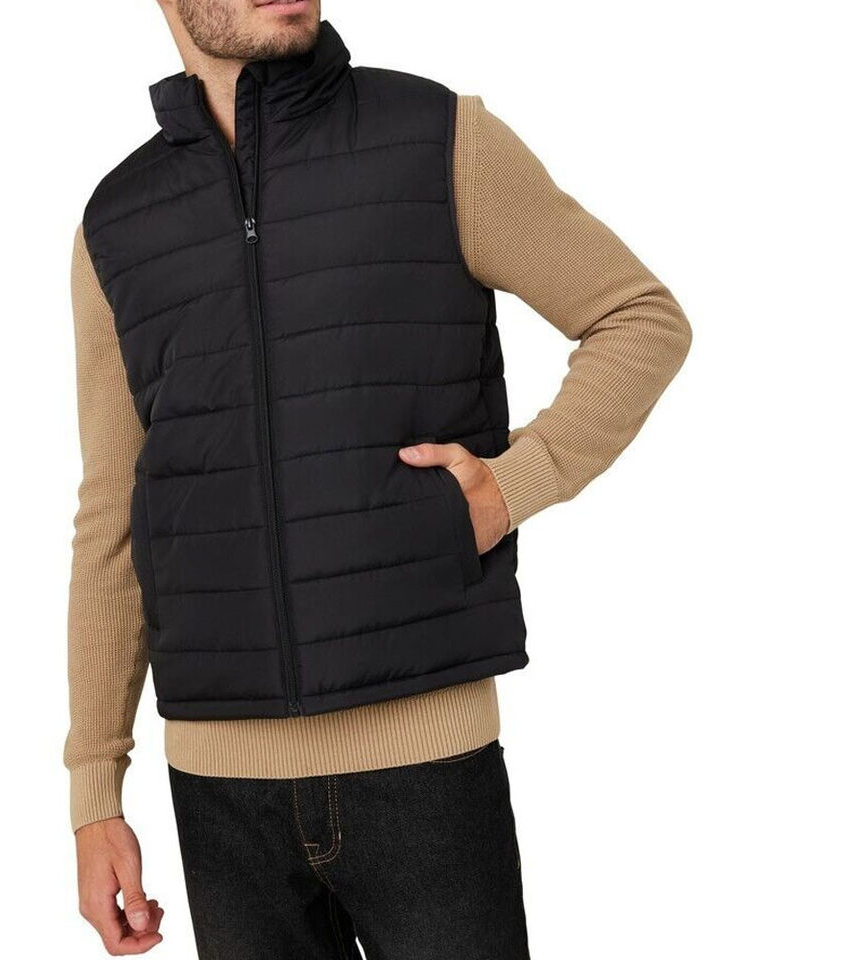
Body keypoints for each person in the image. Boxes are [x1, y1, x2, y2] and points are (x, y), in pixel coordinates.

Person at [65, 1, 691, 956]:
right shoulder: (117, 224)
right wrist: (94, 791)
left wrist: (516, 483)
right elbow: (114, 512)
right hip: (221, 802)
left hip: (425, 772)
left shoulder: (439, 140)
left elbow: (639, 319)